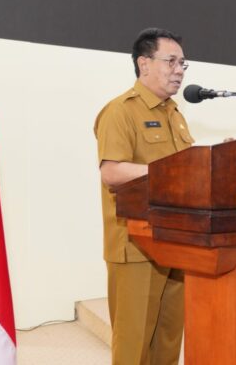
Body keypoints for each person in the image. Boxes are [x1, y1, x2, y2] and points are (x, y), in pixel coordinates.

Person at [94, 27, 194, 365]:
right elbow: (112, 172)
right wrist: (169, 171)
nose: (179, 69)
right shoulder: (120, 111)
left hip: (175, 240)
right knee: (134, 341)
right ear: (144, 64)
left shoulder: (175, 115)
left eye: (183, 63)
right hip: (135, 244)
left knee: (167, 339)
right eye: (171, 61)